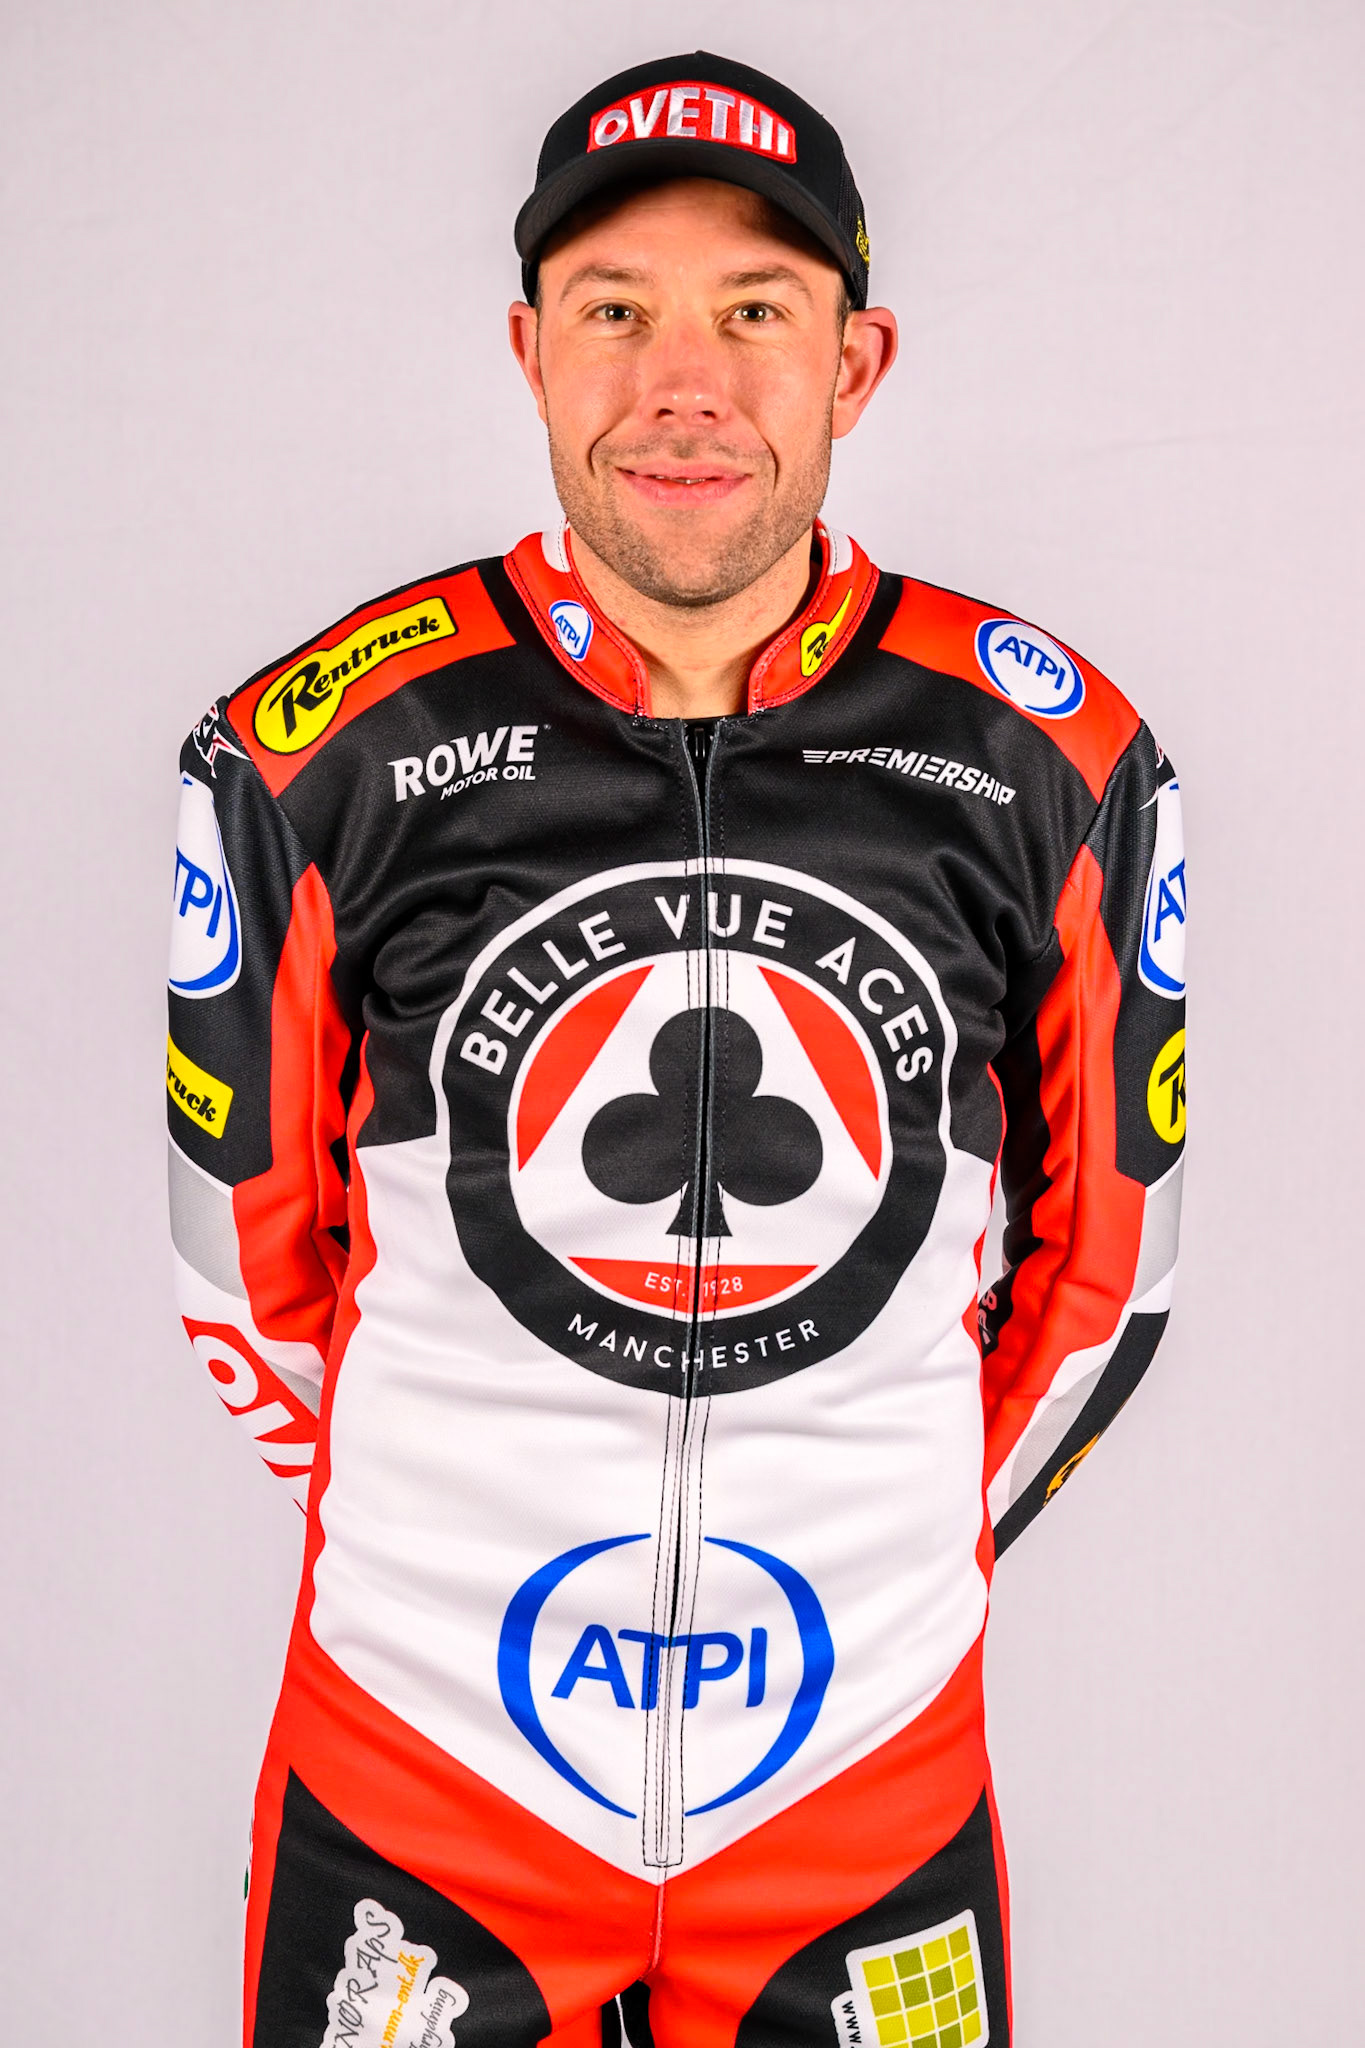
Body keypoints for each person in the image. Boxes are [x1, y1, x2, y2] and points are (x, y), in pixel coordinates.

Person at [166, 49, 1187, 2048]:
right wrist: (465, 1526)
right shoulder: (311, 751)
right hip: (421, 1765)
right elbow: (249, 1272)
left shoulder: (1048, 757)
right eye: (617, 312)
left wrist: (870, 1524)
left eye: (753, 313)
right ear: (531, 350)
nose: (682, 384)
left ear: (854, 361)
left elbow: (1105, 1277)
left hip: (855, 1778)